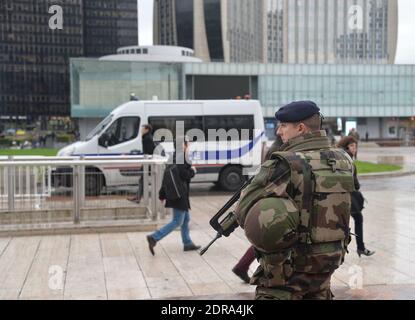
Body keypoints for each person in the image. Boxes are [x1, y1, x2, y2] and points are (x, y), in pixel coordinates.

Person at [235, 101, 355, 300]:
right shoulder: (344, 160)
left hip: (287, 273)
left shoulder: (284, 164)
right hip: (327, 266)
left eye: (283, 125)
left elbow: (243, 210)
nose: (279, 131)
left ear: (300, 128)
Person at [232, 135, 284, 284]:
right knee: (267, 239)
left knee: (266, 239)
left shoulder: (276, 147)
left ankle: (242, 266)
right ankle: (243, 266)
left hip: (270, 196)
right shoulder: (279, 150)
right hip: (272, 197)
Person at [146, 137, 201, 255]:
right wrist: (193, 171)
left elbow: (166, 178)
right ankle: (154, 237)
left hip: (176, 194)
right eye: (187, 144)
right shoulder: (182, 158)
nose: (188, 146)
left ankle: (187, 243)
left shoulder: (172, 157)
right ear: (183, 146)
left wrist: (162, 194)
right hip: (179, 195)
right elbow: (184, 175)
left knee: (185, 219)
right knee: (177, 221)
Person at [337, 136, 375, 258]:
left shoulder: (339, 156)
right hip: (348, 196)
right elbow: (355, 184)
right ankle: (360, 248)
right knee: (357, 219)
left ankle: (354, 248)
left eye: (355, 146)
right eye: (352, 146)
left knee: (343, 223)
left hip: (338, 196)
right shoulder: (349, 160)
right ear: (347, 146)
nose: (354, 149)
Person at [128, 124, 156, 203]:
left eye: (142, 129)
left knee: (143, 180)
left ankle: (138, 198)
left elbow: (149, 151)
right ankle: (138, 197)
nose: (141, 131)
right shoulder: (147, 137)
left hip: (148, 163)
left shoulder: (147, 138)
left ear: (146, 130)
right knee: (142, 180)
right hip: (147, 162)